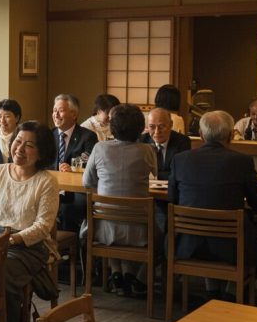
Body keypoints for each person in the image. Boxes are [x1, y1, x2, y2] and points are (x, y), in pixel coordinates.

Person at [168, 111, 257, 300]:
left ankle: (212, 291)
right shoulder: (242, 162)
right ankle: (232, 292)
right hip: (231, 248)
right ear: (231, 135)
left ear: (201, 135)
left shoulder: (180, 160)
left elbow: (172, 199)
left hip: (187, 245)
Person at [0, 120, 58, 322]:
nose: (20, 149)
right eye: (17, 141)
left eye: (29, 145)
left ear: (42, 152)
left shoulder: (46, 181)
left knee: (2, 272)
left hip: (29, 245)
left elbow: (43, 227)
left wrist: (12, 240)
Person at [83, 104, 157, 297]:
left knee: (112, 217)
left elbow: (87, 182)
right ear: (140, 127)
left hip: (103, 229)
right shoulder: (147, 150)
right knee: (156, 226)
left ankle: (117, 273)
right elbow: (155, 175)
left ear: (112, 126)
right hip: (138, 230)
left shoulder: (100, 148)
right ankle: (128, 274)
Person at [52, 94, 97, 235]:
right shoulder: (48, 136)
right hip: (52, 187)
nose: (56, 115)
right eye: (54, 110)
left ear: (74, 114)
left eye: (60, 111)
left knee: (68, 207)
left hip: (76, 190)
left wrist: (72, 168)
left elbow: (91, 165)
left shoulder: (88, 136)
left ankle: (70, 244)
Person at [139, 108, 192, 181]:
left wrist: (153, 176)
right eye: (152, 127)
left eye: (161, 126)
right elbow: (139, 172)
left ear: (171, 125)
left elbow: (181, 172)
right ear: (147, 126)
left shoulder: (182, 142)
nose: (157, 132)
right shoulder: (142, 141)